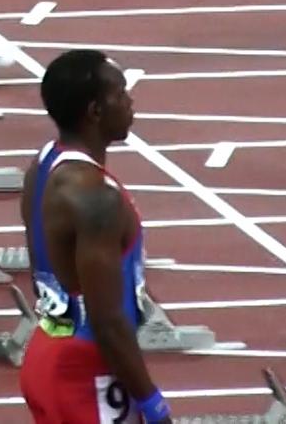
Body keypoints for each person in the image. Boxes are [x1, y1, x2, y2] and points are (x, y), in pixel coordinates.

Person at [19, 50, 172, 424]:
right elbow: (107, 321)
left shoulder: (42, 165)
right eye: (120, 93)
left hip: (47, 351)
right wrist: (153, 405)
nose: (129, 100)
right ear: (95, 112)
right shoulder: (96, 199)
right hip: (86, 372)